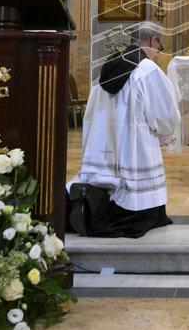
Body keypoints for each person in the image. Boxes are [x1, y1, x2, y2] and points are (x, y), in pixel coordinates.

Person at [67, 22, 180, 238]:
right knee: (134, 188)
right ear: (153, 41)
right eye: (159, 48)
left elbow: (91, 110)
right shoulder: (146, 70)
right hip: (135, 145)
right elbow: (164, 113)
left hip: (103, 142)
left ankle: (91, 210)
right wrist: (164, 134)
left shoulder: (108, 64)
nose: (157, 54)